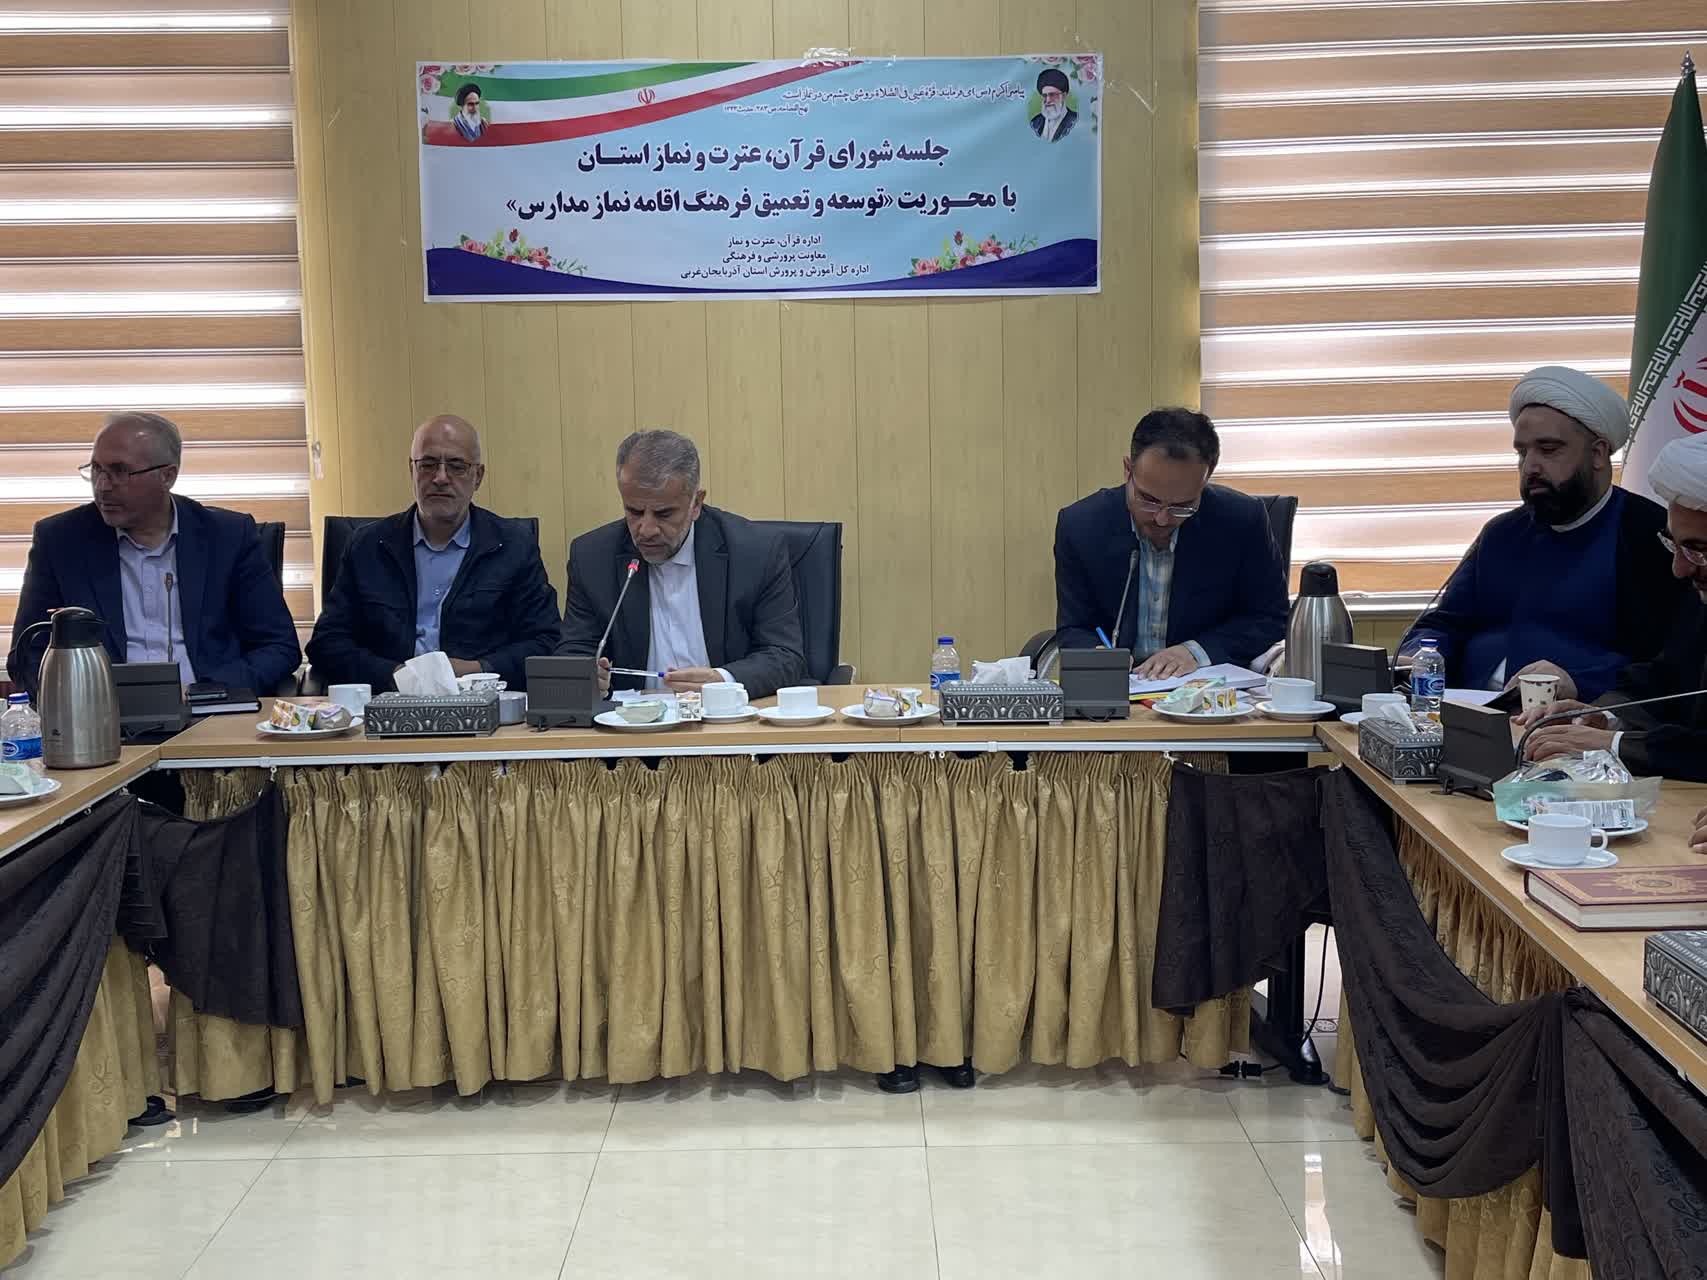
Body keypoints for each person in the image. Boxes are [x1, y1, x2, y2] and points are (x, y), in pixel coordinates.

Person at [1399, 366, 1683, 701]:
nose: (1531, 467)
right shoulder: (1502, 533)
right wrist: (1417, 656)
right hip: (1467, 709)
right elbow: (1445, 623)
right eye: (1522, 452)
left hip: (1573, 717)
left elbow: (1666, 663)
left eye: (1548, 450)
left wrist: (1579, 681)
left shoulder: (1647, 533)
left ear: (1597, 454)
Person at [6, 411, 300, 696]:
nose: (103, 486)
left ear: (167, 476)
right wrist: (82, 702)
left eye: (120, 471)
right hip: (103, 714)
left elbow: (278, 646)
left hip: (209, 708)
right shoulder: (61, 540)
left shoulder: (228, 536)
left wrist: (209, 693)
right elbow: (26, 654)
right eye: (96, 469)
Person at [305, 414, 560, 692]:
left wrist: (478, 671)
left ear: (478, 476)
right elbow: (327, 643)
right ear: (411, 470)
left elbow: (546, 641)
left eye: (457, 466)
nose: (440, 478)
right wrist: (396, 675)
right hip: (387, 700)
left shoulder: (513, 546)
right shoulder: (366, 546)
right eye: (427, 465)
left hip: (479, 702)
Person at [558, 429, 805, 700]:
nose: (646, 529)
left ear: (696, 503)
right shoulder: (593, 558)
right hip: (632, 719)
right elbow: (574, 654)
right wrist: (586, 677)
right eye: (634, 511)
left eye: (664, 514)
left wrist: (722, 681)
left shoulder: (755, 552)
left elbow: (785, 655)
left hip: (727, 716)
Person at [1523, 433, 1707, 781]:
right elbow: (1664, 680)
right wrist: (1605, 716)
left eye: (1697, 549)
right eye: (1675, 545)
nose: (1679, 569)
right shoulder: (1700, 601)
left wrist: (1614, 744)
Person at [1053, 407, 1289, 679]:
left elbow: (1270, 618)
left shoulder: (1242, 520)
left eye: (1182, 506)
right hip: (1119, 688)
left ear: (1206, 478)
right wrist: (1098, 657)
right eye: (1148, 500)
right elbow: (1075, 627)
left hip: (1207, 687)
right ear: (1128, 470)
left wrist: (1196, 652)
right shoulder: (1081, 526)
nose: (1162, 519)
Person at [1030, 67, 1077, 142]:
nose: (1048, 100)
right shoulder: (1035, 122)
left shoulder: (1074, 121)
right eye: (1044, 95)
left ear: (1064, 96)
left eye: (1052, 95)